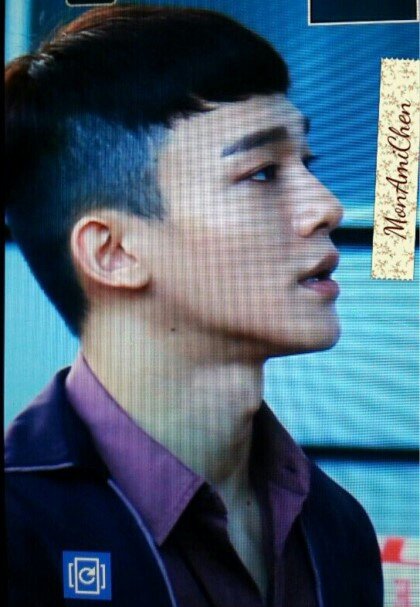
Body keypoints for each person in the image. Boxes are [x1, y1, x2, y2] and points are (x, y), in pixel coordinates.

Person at [4, 5, 383, 606]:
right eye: (262, 174)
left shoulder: (338, 529)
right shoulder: (19, 530)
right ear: (112, 252)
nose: (326, 207)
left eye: (307, 163)